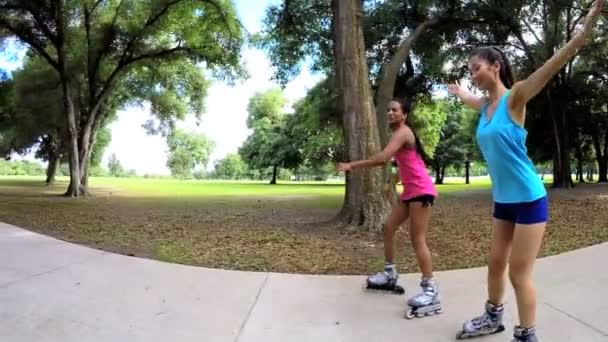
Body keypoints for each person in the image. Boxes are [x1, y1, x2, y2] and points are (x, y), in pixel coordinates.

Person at [449, 1, 604, 341]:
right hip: (503, 201)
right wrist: (458, 89)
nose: (473, 74)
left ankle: (526, 334)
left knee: (519, 275)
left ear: (495, 66)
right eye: (470, 70)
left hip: (530, 199)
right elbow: (467, 97)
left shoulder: (514, 98)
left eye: (476, 68)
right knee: (494, 264)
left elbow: (549, 68)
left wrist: (582, 35)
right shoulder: (485, 107)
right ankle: (493, 317)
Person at [336, 98, 441, 319]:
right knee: (388, 227)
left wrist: (351, 166)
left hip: (421, 191)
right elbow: (407, 162)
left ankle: (430, 290)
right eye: (388, 110)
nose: (390, 113)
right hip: (411, 191)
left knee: (417, 239)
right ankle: (390, 273)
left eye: (395, 110)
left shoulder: (403, 132)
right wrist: (392, 183)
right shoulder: (400, 135)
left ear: (404, 115)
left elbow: (383, 158)